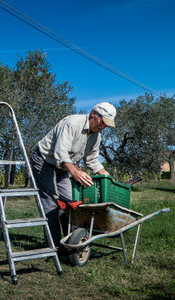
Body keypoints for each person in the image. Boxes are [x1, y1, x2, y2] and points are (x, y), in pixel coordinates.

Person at [30, 102, 116, 253]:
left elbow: (92, 160)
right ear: (94, 113)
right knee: (51, 203)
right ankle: (54, 247)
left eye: (106, 125)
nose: (103, 127)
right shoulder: (72, 123)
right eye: (103, 122)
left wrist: (108, 178)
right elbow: (60, 153)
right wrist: (75, 172)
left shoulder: (96, 136)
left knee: (70, 205)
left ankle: (72, 244)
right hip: (44, 161)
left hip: (63, 167)